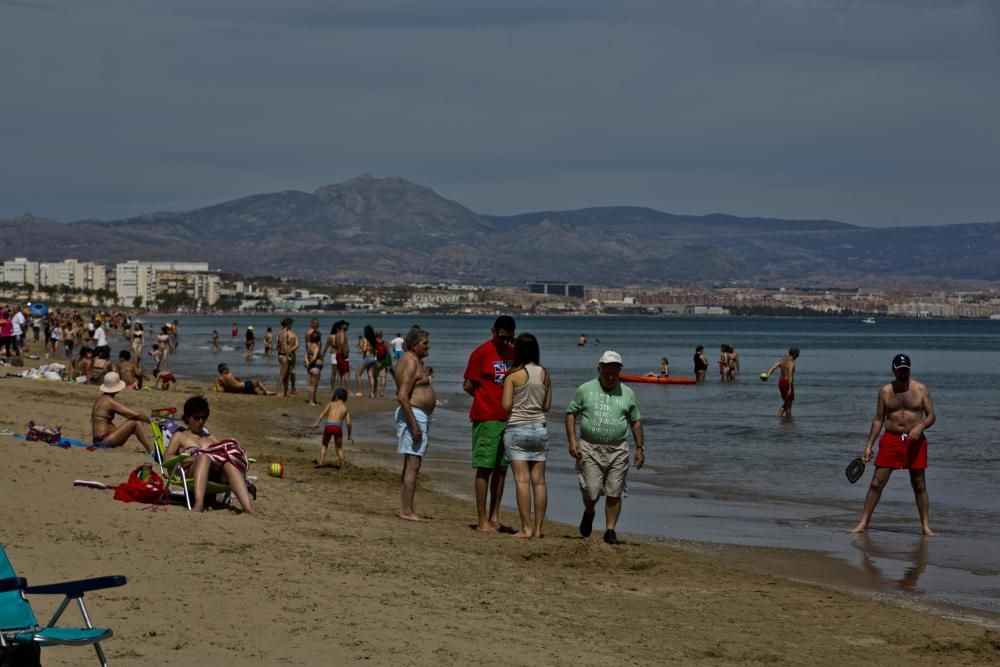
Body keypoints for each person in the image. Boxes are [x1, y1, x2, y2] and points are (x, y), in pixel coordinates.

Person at [851, 354, 937, 536]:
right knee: (876, 482)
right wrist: (868, 446)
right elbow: (878, 419)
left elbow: (931, 416)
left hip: (915, 441)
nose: (903, 372)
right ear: (893, 370)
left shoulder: (921, 389)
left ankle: (926, 527)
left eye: (906, 369)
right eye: (900, 370)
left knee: (919, 484)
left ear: (910, 369)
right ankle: (863, 523)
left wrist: (921, 426)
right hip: (891, 439)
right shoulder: (885, 391)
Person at [565, 350, 645, 546]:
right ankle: (589, 511)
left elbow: (635, 421)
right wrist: (572, 441)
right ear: (599, 369)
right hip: (590, 448)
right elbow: (570, 413)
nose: (610, 376)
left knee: (614, 491)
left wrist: (640, 447)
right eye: (606, 371)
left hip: (618, 449)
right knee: (591, 491)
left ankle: (610, 530)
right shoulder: (585, 389)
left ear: (619, 371)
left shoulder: (627, 393)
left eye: (614, 372)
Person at [463, 315, 516, 533]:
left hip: (509, 418)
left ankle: (495, 516)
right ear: (493, 331)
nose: (504, 341)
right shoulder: (482, 352)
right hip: (486, 417)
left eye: (508, 338)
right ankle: (482, 519)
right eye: (501, 337)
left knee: (501, 469)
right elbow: (468, 385)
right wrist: (487, 397)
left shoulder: (513, 352)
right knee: (484, 468)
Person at [163, 395, 258, 516]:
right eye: (197, 417)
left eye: (204, 417)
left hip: (214, 474)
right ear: (187, 417)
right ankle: (199, 504)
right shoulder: (180, 436)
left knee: (229, 464)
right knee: (204, 457)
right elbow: (166, 458)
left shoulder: (210, 437)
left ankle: (248, 508)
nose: (201, 421)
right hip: (192, 471)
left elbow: (223, 453)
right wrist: (189, 457)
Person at [501, 333, 552, 539]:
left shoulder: (513, 375)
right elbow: (546, 406)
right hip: (539, 428)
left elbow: (506, 405)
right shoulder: (545, 374)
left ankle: (526, 528)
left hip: (517, 428)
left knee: (522, 481)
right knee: (539, 482)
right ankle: (539, 529)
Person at [394, 326, 436, 522]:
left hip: (418, 415)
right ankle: (407, 511)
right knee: (413, 463)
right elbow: (402, 396)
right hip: (413, 415)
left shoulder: (414, 361)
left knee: (411, 463)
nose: (428, 347)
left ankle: (407, 508)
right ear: (414, 345)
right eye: (425, 344)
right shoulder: (410, 363)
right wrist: (414, 424)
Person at [91, 372, 154, 452]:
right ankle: (151, 451)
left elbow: (129, 415)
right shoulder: (109, 401)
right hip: (104, 441)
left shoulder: (101, 399)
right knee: (136, 422)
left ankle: (150, 448)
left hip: (99, 440)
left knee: (136, 422)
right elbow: (135, 414)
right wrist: (151, 421)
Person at [311, 387, 353, 468]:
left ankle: (321, 462)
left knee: (324, 445)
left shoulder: (330, 404)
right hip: (337, 427)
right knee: (339, 448)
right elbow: (349, 423)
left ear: (336, 396)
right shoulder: (345, 408)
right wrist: (349, 435)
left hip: (328, 426)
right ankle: (342, 465)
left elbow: (323, 413)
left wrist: (317, 423)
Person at [764, 347, 800, 418]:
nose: (797, 357)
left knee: (786, 403)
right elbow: (790, 376)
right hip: (787, 383)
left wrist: (768, 375)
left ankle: (778, 417)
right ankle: (789, 421)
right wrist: (790, 388)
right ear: (794, 355)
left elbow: (773, 367)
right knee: (789, 406)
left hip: (781, 382)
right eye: (797, 355)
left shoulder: (782, 361)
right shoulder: (791, 363)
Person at [276, 317, 299, 397]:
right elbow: (285, 345)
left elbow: (277, 345)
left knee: (286, 375)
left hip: (280, 355)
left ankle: (285, 392)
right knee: (283, 375)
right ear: (288, 324)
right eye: (291, 324)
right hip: (285, 355)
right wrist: (288, 354)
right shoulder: (286, 333)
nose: (292, 325)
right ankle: (279, 392)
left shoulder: (279, 333)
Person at [304, 330, 324, 406]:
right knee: (313, 385)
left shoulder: (309, 346)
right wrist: (309, 363)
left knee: (314, 385)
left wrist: (306, 362)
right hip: (315, 367)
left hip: (312, 367)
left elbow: (306, 355)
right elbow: (314, 357)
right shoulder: (316, 347)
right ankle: (311, 401)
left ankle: (314, 400)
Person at [372, 330, 392, 398]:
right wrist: (390, 364)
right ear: (382, 335)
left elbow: (373, 353)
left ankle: (374, 392)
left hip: (376, 362)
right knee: (383, 377)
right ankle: (382, 392)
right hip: (384, 362)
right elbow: (388, 354)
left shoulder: (374, 343)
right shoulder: (385, 343)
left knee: (374, 377)